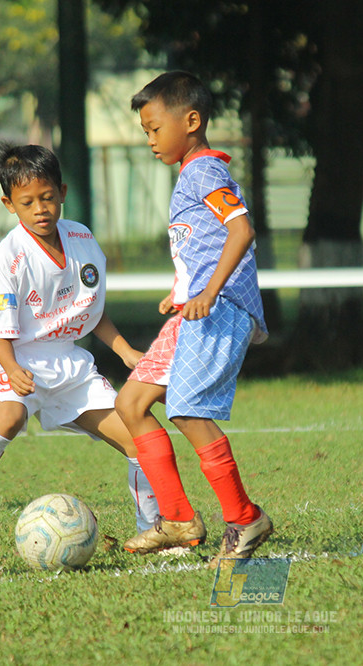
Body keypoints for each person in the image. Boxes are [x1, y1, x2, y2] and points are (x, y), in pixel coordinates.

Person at [0, 143, 158, 537]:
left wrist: (126, 351)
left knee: (139, 439)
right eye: (27, 202)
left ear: (62, 192)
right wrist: (12, 370)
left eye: (47, 198)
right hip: (17, 357)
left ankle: (153, 527)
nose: (40, 209)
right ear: (9, 204)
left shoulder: (81, 239)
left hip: (69, 364)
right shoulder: (10, 256)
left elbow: (92, 312)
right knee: (9, 418)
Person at [116, 71, 272, 568]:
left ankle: (245, 520)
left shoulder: (204, 170)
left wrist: (207, 291)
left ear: (192, 120)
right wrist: (182, 291)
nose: (150, 140)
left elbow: (241, 231)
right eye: (145, 131)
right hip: (193, 309)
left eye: (154, 128)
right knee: (132, 401)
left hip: (219, 309)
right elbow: (202, 242)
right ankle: (180, 518)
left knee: (186, 411)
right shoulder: (193, 172)